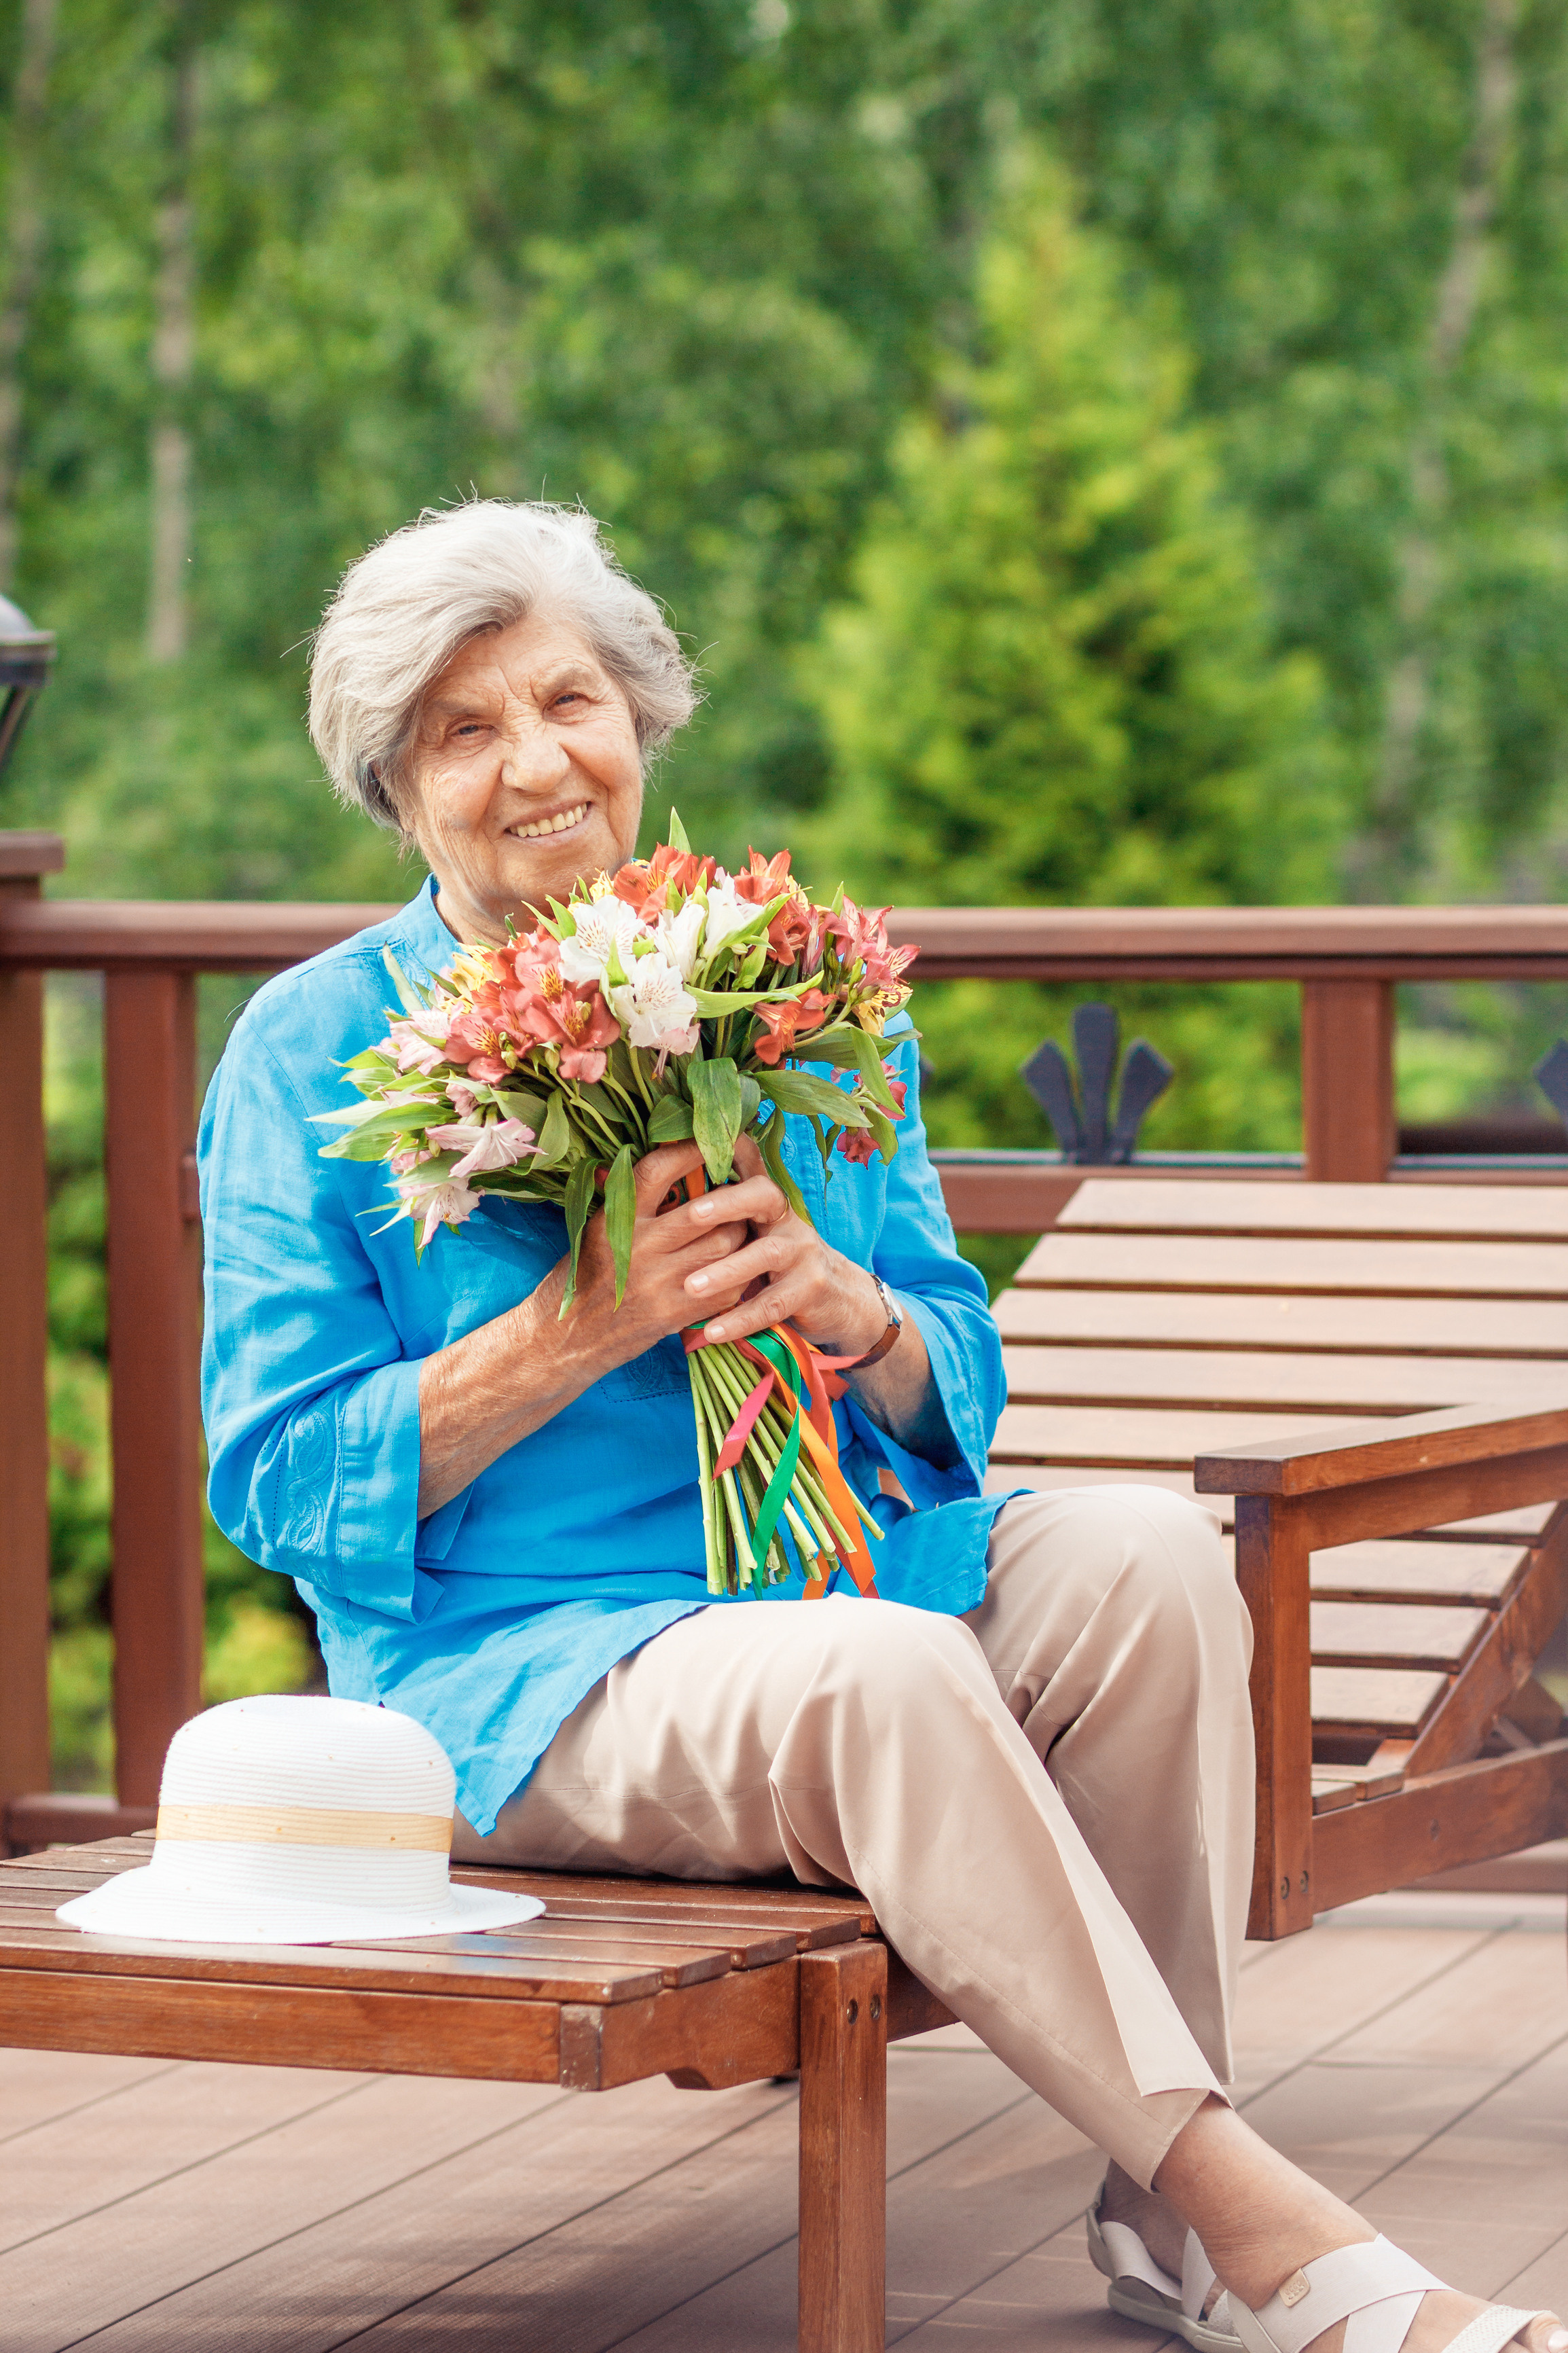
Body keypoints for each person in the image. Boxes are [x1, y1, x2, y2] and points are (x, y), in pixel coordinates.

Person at [200, 499, 1563, 2353]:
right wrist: (574, 1329)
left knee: (1160, 1560)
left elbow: (957, 1368)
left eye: (569, 698)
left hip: (835, 1561)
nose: (537, 763)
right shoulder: (311, 1049)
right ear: (395, 788)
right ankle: (1263, 2234)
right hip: (522, 1663)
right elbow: (280, 1478)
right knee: (886, 1675)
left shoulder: (798, 996)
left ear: (643, 719)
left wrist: (848, 1312)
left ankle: (1150, 2222)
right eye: (462, 730)